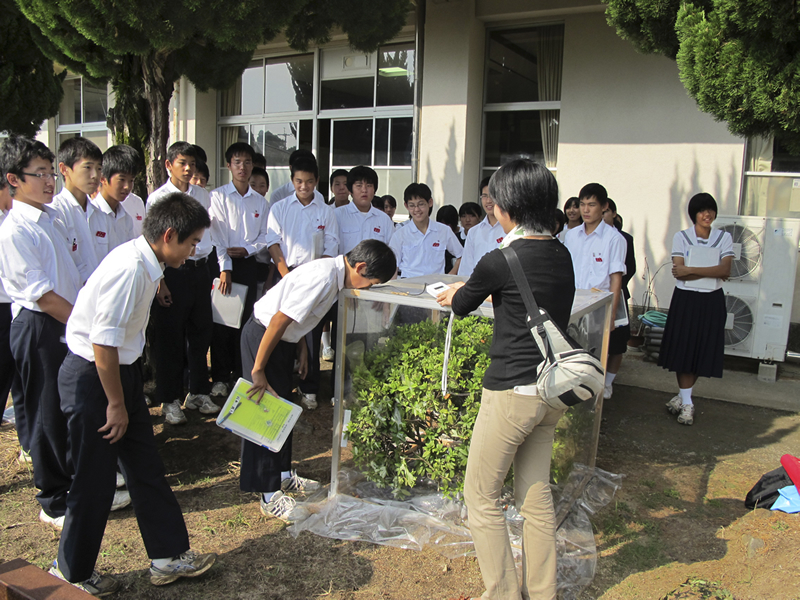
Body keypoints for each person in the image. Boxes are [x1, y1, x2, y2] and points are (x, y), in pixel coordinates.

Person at [52, 192, 216, 595]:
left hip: (117, 374)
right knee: (94, 481)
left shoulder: (150, 260)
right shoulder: (130, 268)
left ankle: (168, 556)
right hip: (95, 379)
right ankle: (71, 574)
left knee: (145, 467)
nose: (195, 250)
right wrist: (115, 404)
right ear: (169, 235)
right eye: (192, 242)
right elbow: (102, 343)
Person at [437, 159, 575, 600]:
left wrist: (458, 292)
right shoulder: (562, 253)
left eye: (495, 201)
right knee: (535, 499)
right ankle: (542, 591)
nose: (492, 209)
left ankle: (501, 595)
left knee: (480, 496)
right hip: (552, 390)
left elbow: (461, 305)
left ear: (508, 208)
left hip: (512, 393)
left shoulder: (500, 258)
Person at [241, 239, 396, 519]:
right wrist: (258, 369)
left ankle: (283, 473)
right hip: (264, 338)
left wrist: (300, 349)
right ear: (360, 267)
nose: (368, 289)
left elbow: (299, 319)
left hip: (282, 341)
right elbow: (278, 319)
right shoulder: (323, 277)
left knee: (283, 409)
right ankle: (267, 493)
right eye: (371, 283)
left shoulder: (335, 278)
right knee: (265, 413)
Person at [0, 135, 83, 529]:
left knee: (64, 407)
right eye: (41, 174)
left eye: (51, 172)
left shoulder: (50, 217)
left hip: (64, 321)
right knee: (45, 410)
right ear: (14, 179)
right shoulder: (16, 229)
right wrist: (82, 324)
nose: (50, 181)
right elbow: (43, 296)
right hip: (40, 326)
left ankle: (68, 483)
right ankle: (52, 500)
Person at [147, 142, 218, 425]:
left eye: (192, 164)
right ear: (168, 165)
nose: (188, 169)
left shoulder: (203, 195)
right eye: (182, 163)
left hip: (202, 270)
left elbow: (213, 236)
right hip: (173, 272)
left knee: (201, 333)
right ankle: (170, 399)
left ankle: (199, 391)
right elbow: (152, 243)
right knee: (170, 337)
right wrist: (160, 281)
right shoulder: (158, 198)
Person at [266, 155, 339, 410]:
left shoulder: (325, 211)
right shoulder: (280, 208)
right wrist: (286, 273)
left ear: (317, 181)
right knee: (283, 331)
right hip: (286, 274)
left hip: (314, 277)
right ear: (292, 180)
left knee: (310, 333)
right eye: (299, 181)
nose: (304, 186)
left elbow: (331, 245)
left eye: (309, 182)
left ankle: (309, 389)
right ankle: (283, 385)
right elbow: (273, 243)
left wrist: (318, 275)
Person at [658, 193, 733, 426]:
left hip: (712, 299)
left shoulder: (724, 237)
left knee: (703, 349)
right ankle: (687, 402)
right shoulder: (681, 237)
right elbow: (678, 270)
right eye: (701, 210)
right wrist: (707, 269)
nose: (706, 214)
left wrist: (692, 270)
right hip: (686, 299)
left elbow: (725, 271)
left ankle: (683, 397)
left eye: (710, 210)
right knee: (684, 349)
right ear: (694, 214)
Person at [208, 142, 269, 396]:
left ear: (253, 165)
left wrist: (249, 249)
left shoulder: (260, 202)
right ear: (228, 165)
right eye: (237, 162)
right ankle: (220, 377)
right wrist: (225, 268)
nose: (242, 167)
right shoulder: (218, 196)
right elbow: (217, 235)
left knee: (245, 321)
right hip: (224, 266)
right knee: (223, 322)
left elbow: (267, 235)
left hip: (248, 263)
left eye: (246, 162)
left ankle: (238, 374)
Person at [564, 183, 627, 400]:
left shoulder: (614, 238)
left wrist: (611, 314)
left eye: (592, 204)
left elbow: (615, 278)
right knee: (570, 354)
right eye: (582, 204)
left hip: (598, 307)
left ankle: (593, 399)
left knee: (592, 357)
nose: (586, 210)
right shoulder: (570, 236)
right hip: (571, 304)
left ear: (604, 207)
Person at [50, 136, 103, 283]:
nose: (95, 176)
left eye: (99, 168)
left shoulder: (100, 214)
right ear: (64, 169)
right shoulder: (55, 213)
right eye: (88, 167)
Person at [391, 183, 462, 278]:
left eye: (421, 204)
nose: (417, 209)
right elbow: (392, 267)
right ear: (406, 206)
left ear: (430, 202)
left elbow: (461, 256)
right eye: (412, 205)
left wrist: (449, 277)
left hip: (436, 288)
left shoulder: (444, 231)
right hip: (408, 287)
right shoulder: (399, 235)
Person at [88, 145, 139, 261]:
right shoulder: (90, 216)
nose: (127, 187)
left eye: (131, 180)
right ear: (103, 178)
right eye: (121, 179)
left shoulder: (126, 219)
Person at [459, 176, 506, 278]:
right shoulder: (474, 232)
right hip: (477, 288)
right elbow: (466, 268)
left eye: (493, 196)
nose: (488, 201)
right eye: (484, 196)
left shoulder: (509, 230)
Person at [604, 198, 636, 320]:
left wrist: (616, 286)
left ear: (614, 213)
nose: (602, 216)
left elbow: (630, 267)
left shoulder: (624, 238)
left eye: (605, 212)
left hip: (617, 291)